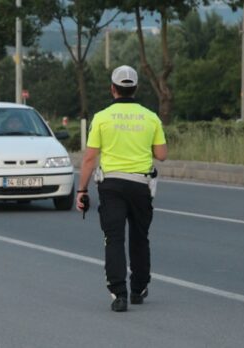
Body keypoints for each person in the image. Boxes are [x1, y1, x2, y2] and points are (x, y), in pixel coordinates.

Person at [76, 65, 167, 312]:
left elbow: (89, 159)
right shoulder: (151, 117)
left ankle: (119, 294)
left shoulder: (102, 117)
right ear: (135, 88)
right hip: (141, 185)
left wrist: (81, 191)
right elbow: (161, 154)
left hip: (111, 185)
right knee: (140, 237)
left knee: (113, 238)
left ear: (113, 89)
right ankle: (138, 288)